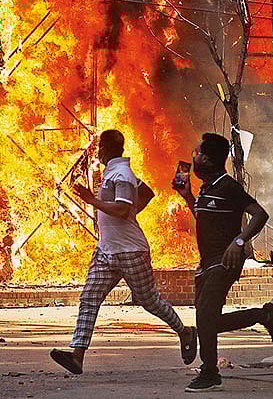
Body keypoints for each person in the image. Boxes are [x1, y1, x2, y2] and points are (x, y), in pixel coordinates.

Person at [50, 130, 198, 375]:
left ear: (106, 149)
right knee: (89, 297)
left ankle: (185, 332)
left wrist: (91, 200)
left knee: (150, 301)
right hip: (107, 251)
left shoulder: (122, 175)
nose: (97, 152)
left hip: (131, 251)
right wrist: (131, 214)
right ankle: (77, 354)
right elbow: (147, 193)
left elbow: (120, 210)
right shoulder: (115, 172)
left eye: (99, 147)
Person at [173, 132, 273, 393]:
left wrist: (240, 242)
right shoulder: (207, 188)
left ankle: (210, 373)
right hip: (206, 263)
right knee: (208, 322)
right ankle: (265, 314)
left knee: (204, 317)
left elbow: (260, 214)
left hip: (225, 261)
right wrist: (188, 197)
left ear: (210, 160)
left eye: (198, 154)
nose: (194, 158)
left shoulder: (229, 187)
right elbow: (204, 218)